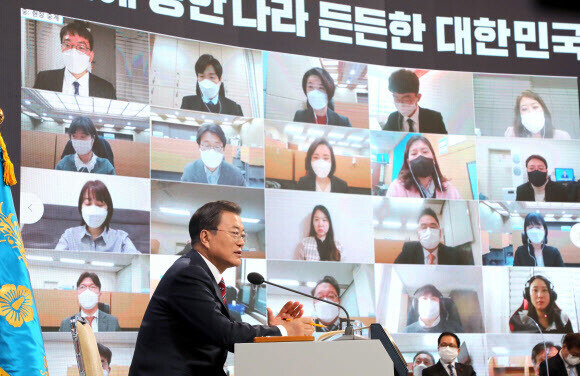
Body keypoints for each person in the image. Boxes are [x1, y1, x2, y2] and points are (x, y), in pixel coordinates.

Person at [129, 201, 314, 375]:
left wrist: (272, 329)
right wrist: (284, 332)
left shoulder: (202, 273)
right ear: (206, 237)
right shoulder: (188, 273)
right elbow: (226, 334)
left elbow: (218, 331)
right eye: (234, 233)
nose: (241, 242)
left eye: (243, 235)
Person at [33, 21, 116, 99]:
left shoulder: (106, 89)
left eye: (81, 47)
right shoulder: (44, 79)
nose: (73, 52)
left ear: (91, 56)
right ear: (61, 48)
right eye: (68, 45)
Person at [56, 180, 140, 253]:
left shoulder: (121, 239)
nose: (93, 209)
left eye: (99, 204)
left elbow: (136, 258)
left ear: (108, 208)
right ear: (81, 206)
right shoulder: (69, 235)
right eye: (88, 203)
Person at [386, 135, 461, 199]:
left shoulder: (447, 187)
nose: (420, 156)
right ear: (408, 163)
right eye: (414, 153)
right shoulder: (397, 188)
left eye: (425, 152)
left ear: (433, 159)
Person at [395, 208, 471, 265]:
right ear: (418, 234)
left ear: (440, 232)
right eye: (424, 227)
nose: (429, 232)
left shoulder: (453, 254)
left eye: (433, 227)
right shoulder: (408, 250)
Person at [382, 69, 447, 134]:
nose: (401, 104)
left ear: (418, 97)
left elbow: (443, 141)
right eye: (396, 98)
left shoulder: (435, 118)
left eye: (406, 99)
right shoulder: (393, 117)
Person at [181, 123, 245, 186]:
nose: (211, 151)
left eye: (217, 146)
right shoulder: (190, 170)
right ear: (199, 146)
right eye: (206, 145)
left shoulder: (235, 174)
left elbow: (246, 195)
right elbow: (181, 194)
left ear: (223, 149)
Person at [509, 275, 574, 334]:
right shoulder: (521, 321)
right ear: (528, 295)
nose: (540, 295)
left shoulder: (563, 319)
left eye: (544, 290)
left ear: (551, 295)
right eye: (535, 290)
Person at [505, 90, 571, 139]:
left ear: (543, 110)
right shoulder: (512, 134)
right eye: (524, 109)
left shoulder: (562, 137)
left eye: (535, 107)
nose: (531, 112)